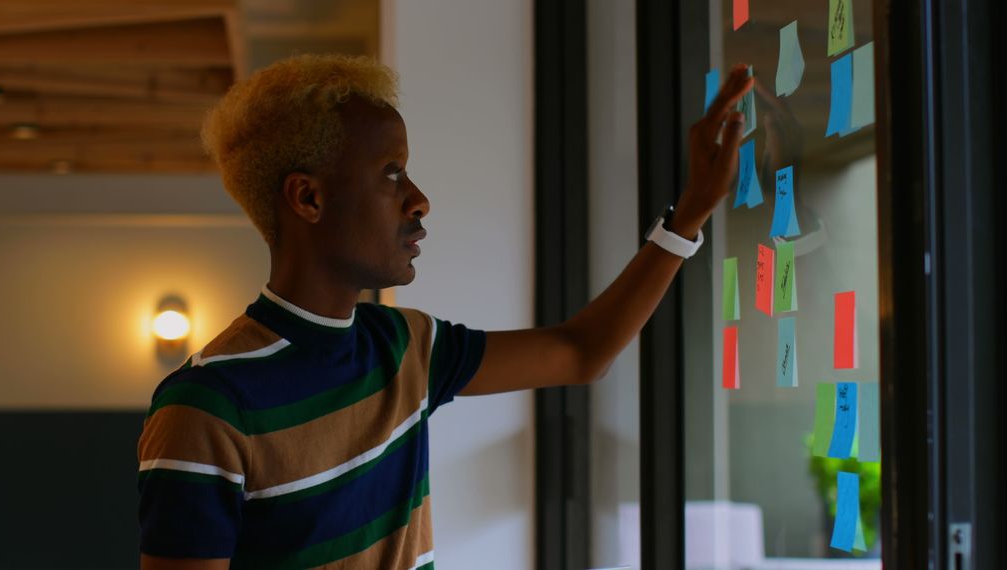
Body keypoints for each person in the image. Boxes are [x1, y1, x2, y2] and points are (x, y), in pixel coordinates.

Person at [137, 54, 753, 569]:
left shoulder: (405, 345)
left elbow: (582, 352)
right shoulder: (205, 407)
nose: (420, 200)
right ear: (309, 197)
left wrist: (690, 214)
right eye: (391, 173)